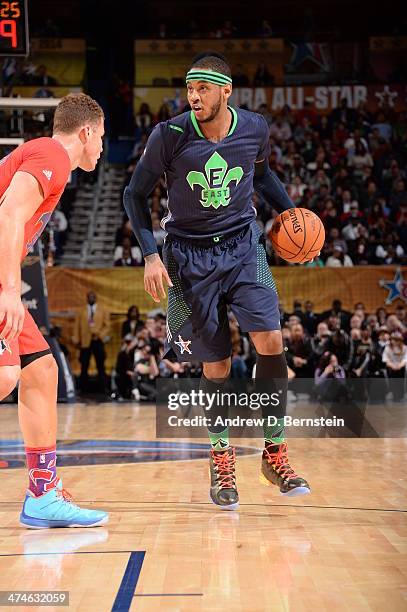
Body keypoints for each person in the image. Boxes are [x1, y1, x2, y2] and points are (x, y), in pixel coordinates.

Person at [124, 53, 311, 511]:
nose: (194, 97)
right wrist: (150, 254)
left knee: (271, 340)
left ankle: (274, 452)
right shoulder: (167, 135)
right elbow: (134, 193)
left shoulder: (255, 128)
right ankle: (221, 456)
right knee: (218, 366)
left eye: (203, 89)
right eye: (190, 89)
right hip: (187, 255)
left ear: (226, 90)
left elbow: (261, 175)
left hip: (244, 245)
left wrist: (289, 212)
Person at [0, 93, 108, 528]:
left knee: (40, 369)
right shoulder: (52, 155)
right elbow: (8, 216)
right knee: (6, 374)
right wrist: (10, 290)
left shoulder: (45, 160)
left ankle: (43, 494)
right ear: (85, 132)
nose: (101, 147)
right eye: (100, 136)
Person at [72, 291, 110, 394]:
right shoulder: (81, 311)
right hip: (85, 341)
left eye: (93, 296)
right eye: (89, 297)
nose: (91, 298)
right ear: (87, 298)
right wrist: (76, 339)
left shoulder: (103, 310)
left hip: (98, 340)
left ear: (96, 298)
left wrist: (100, 335)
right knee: (84, 365)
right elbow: (77, 326)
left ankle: (103, 388)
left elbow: (107, 326)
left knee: (100, 365)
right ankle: (83, 389)